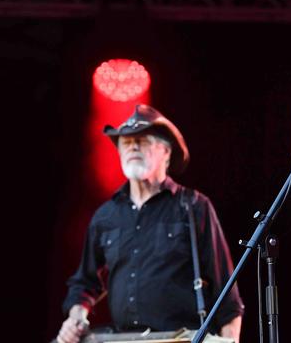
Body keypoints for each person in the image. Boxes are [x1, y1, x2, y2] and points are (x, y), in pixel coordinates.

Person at [57, 104, 244, 343]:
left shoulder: (194, 206)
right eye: (126, 143)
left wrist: (230, 340)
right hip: (123, 339)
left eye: (142, 140)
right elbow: (84, 282)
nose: (133, 146)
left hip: (180, 339)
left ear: (166, 152)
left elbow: (227, 295)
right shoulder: (106, 216)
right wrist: (76, 318)